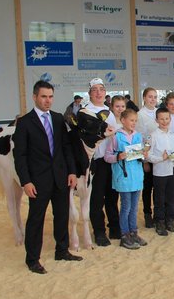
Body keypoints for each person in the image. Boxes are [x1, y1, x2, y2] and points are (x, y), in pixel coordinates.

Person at [13, 80, 81, 274]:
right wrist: (25, 181)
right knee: (36, 219)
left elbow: (66, 147)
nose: (48, 100)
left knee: (61, 215)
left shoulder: (59, 119)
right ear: (35, 97)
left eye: (50, 97)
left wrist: (72, 171)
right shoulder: (25, 122)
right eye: (44, 96)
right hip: (38, 181)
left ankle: (62, 250)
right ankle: (32, 259)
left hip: (60, 177)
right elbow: (20, 156)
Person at [104, 108, 148, 250]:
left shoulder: (138, 136)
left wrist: (143, 154)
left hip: (136, 176)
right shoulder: (116, 137)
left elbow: (141, 154)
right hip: (123, 177)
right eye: (131, 120)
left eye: (135, 121)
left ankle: (133, 232)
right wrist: (118, 156)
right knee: (126, 207)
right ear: (123, 120)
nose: (133, 123)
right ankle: (124, 235)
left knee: (134, 208)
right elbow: (107, 156)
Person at [85, 78, 119, 247]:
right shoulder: (86, 112)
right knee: (97, 197)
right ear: (90, 93)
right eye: (94, 90)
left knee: (112, 195)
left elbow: (114, 137)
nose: (98, 93)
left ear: (105, 93)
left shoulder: (109, 112)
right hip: (95, 161)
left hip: (110, 160)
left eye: (101, 89)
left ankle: (114, 227)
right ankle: (99, 231)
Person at [147, 108, 174, 236]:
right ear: (156, 120)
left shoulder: (173, 136)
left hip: (172, 170)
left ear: (170, 119)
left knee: (171, 197)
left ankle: (170, 221)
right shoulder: (152, 136)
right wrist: (162, 158)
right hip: (159, 172)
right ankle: (159, 222)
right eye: (161, 119)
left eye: (167, 118)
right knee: (159, 199)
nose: (164, 121)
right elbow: (148, 156)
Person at [136, 88, 159, 228]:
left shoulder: (159, 112)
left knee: (158, 188)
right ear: (144, 98)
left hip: (159, 157)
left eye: (155, 97)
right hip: (147, 156)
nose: (153, 99)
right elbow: (140, 138)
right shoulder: (140, 115)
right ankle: (147, 214)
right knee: (147, 188)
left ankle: (157, 214)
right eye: (150, 97)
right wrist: (144, 160)